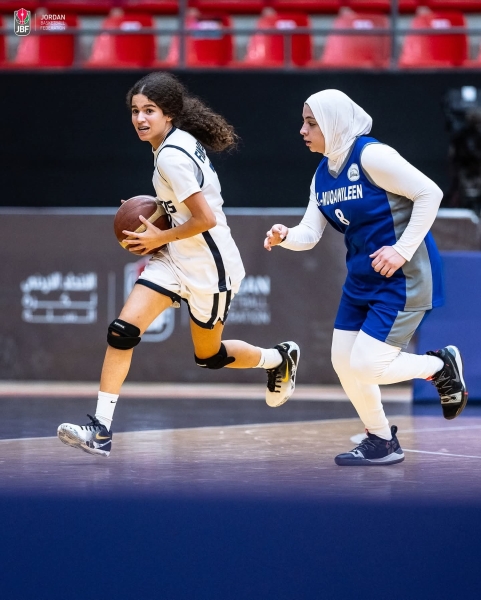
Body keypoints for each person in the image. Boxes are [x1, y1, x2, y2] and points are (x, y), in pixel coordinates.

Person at [57, 71, 300, 457]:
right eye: (135, 110)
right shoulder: (173, 143)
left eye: (149, 110)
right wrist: (155, 214)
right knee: (122, 331)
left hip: (210, 267)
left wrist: (157, 237)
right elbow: (183, 207)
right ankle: (101, 429)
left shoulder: (171, 156)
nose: (140, 118)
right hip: (175, 257)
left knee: (210, 357)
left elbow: (206, 219)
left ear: (168, 113)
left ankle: (277, 359)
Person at [264, 89, 468, 467]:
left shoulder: (371, 155)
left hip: (401, 275)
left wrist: (402, 249)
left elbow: (430, 192)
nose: (303, 130)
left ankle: (439, 367)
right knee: (344, 362)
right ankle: (381, 440)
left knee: (366, 364)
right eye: (304, 122)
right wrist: (286, 236)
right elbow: (310, 233)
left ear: (334, 123)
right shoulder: (322, 175)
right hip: (361, 278)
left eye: (311, 123)